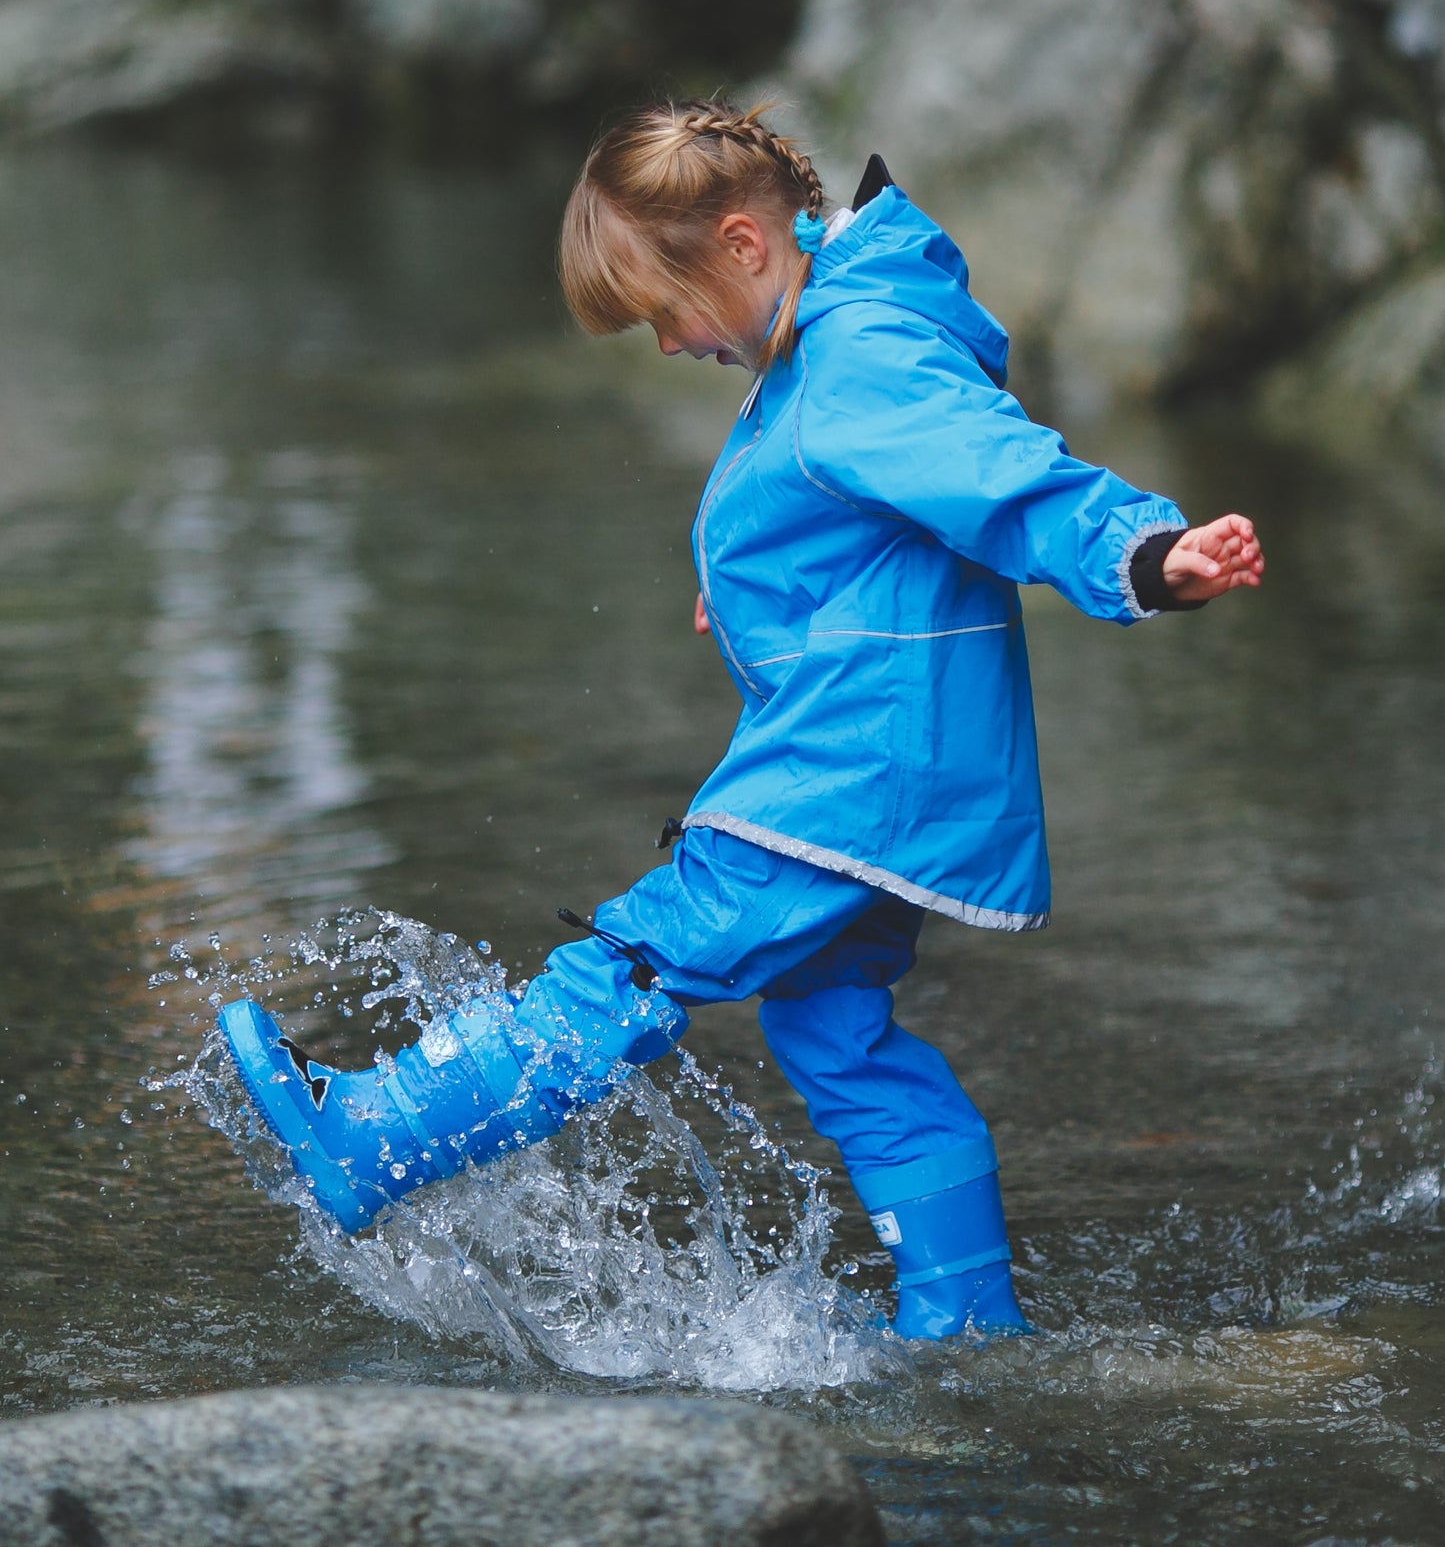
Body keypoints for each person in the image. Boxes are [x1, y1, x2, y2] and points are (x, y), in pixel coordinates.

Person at [218, 101, 1263, 1340]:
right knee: (839, 1039)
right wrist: (768, 590)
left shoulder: (860, 346)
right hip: (877, 769)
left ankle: (377, 1140)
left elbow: (996, 473)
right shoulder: (826, 342)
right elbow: (853, 509)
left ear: (745, 244)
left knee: (639, 953)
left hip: (846, 771)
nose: (665, 345)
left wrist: (1141, 551)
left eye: (666, 312)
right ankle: (968, 1320)